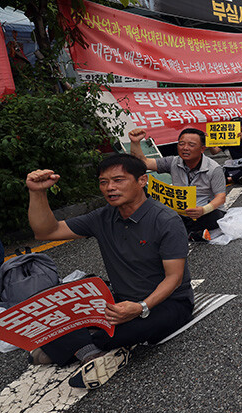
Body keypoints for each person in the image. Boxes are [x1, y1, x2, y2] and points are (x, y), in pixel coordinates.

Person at [25, 155, 192, 389]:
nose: (109, 188)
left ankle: (82, 347)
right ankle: (92, 351)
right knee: (54, 307)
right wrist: (37, 192)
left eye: (118, 180)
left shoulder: (165, 220)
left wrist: (141, 307)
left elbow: (173, 278)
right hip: (120, 298)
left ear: (142, 180)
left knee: (127, 330)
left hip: (167, 302)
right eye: (103, 182)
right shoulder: (103, 216)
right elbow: (46, 232)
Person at [129, 128, 226, 241]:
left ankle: (181, 233)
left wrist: (203, 210)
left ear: (202, 149)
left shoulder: (214, 169)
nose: (185, 148)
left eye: (191, 145)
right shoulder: (173, 162)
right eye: (181, 144)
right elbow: (143, 163)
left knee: (214, 217)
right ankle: (192, 234)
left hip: (204, 213)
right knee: (155, 213)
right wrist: (135, 142)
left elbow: (221, 197)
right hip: (179, 212)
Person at [209, 117, 242, 185]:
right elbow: (214, 152)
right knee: (220, 170)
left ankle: (230, 179)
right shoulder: (228, 138)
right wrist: (209, 143)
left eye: (236, 126)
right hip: (236, 163)